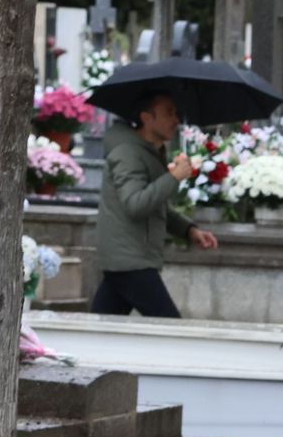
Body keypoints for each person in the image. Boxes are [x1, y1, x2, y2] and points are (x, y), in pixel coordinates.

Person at [92, 91, 217, 317]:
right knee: (169, 328)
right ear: (146, 118)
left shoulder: (150, 152)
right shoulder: (127, 153)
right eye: (169, 113)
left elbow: (156, 206)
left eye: (176, 113)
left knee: (102, 326)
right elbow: (136, 204)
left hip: (128, 258)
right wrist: (173, 177)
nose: (176, 120)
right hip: (131, 260)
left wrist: (189, 230)